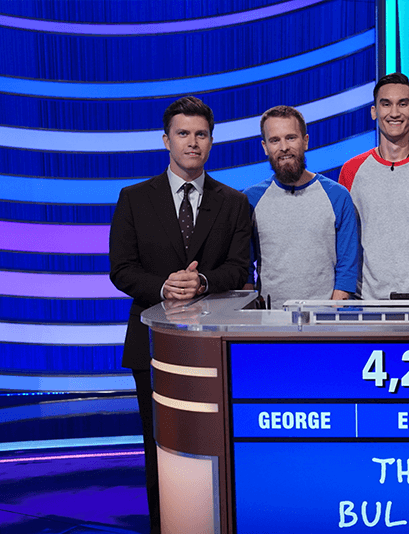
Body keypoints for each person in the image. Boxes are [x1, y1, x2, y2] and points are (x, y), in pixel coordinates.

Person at [109, 96, 251, 533]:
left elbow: (240, 268)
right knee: (162, 448)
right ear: (166, 140)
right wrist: (163, 287)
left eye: (201, 134)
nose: (193, 143)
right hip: (151, 346)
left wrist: (203, 282)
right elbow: (121, 269)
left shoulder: (234, 203)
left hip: (214, 347)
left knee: (215, 447)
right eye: (184, 134)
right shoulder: (133, 198)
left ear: (212, 140)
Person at [339, 72, 409, 299]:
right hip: (367, 303)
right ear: (374, 112)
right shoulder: (352, 170)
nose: (394, 113)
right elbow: (344, 239)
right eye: (386, 104)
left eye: (403, 104)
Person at [243, 105, 358, 306]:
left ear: (305, 141)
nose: (284, 147)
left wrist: (330, 316)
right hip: (268, 322)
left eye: (291, 137)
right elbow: (243, 268)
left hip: (325, 322)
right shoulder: (251, 199)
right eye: (275, 140)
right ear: (265, 147)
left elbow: (347, 268)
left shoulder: (338, 196)